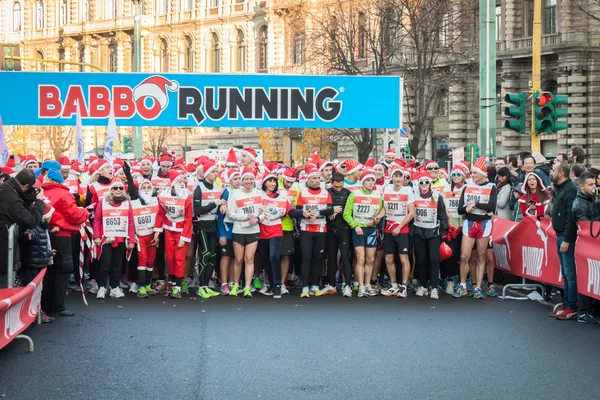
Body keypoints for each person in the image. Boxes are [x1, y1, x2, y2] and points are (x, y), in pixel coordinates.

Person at [455, 157, 498, 299]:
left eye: (474, 173)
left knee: (481, 256)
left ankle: (478, 287)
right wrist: (467, 208)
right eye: (471, 172)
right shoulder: (467, 187)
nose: (472, 175)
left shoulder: (491, 187)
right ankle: (462, 285)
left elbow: (491, 207)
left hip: (484, 223)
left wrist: (476, 204)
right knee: (464, 256)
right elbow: (460, 210)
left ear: (482, 174)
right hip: (469, 222)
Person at [289, 165, 334, 298]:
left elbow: (330, 210)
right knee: (306, 257)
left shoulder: (326, 193)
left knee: (317, 257)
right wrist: (306, 213)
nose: (316, 181)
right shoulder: (303, 192)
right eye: (313, 178)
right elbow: (296, 211)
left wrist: (318, 212)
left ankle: (315, 285)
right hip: (306, 229)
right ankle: (305, 286)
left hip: (320, 229)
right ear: (308, 180)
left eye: (318, 178)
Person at [0, 169, 47, 287]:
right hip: (3, 248)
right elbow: (30, 221)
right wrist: (39, 202)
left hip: (6, 247)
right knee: (4, 288)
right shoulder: (10, 197)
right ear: (26, 185)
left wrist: (29, 197)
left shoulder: (7, 188)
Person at [343, 169, 384, 298]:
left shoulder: (378, 195)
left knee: (370, 259)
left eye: (372, 180)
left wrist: (378, 218)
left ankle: (367, 285)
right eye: (367, 180)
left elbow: (383, 209)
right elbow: (346, 214)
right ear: (362, 182)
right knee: (360, 258)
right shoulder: (354, 194)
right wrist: (355, 226)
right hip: (359, 230)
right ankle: (360, 286)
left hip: (371, 230)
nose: (370, 182)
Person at [154, 170, 193, 299]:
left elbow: (188, 219)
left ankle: (178, 287)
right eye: (179, 181)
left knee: (179, 258)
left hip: (181, 230)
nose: (182, 184)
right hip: (169, 229)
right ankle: (171, 281)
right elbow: (160, 214)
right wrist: (157, 231)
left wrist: (183, 237)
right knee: (169, 257)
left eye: (183, 181)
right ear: (173, 183)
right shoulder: (164, 196)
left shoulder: (186, 197)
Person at [93, 178, 135, 299]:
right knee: (105, 263)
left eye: (121, 188)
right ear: (111, 190)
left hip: (121, 238)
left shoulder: (127, 203)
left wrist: (131, 240)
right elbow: (97, 219)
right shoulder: (103, 202)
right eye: (115, 188)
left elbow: (131, 222)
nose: (118, 190)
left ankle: (114, 287)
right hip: (106, 238)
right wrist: (96, 236)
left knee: (117, 264)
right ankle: (101, 287)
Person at [226, 168, 264, 298]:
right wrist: (245, 217)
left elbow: (263, 212)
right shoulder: (235, 193)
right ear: (242, 181)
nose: (249, 181)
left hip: (253, 230)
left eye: (251, 179)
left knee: (249, 259)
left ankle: (247, 287)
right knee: (238, 259)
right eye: (246, 179)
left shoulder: (258, 193)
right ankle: (236, 285)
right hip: (239, 229)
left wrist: (258, 218)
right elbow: (230, 213)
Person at [548, 161, 578, 320]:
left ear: (561, 173)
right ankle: (566, 304)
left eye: (553, 170)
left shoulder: (570, 190)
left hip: (566, 238)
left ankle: (571, 306)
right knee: (565, 274)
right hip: (559, 234)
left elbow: (571, 218)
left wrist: (566, 238)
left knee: (569, 273)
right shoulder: (560, 189)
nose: (551, 173)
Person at [411, 172, 449, 299]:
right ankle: (423, 286)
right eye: (421, 182)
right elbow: (410, 213)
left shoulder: (437, 196)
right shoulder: (414, 196)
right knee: (421, 260)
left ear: (430, 183)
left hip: (433, 232)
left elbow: (443, 215)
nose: (424, 185)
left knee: (433, 260)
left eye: (426, 182)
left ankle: (434, 288)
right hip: (419, 232)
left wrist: (444, 233)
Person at [193, 160, 227, 299]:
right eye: (213, 172)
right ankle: (201, 287)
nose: (215, 174)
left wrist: (223, 206)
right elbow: (198, 210)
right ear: (207, 173)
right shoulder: (199, 187)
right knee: (205, 253)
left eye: (216, 172)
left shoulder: (217, 188)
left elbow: (219, 205)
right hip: (201, 224)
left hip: (213, 224)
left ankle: (206, 286)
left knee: (212, 256)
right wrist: (215, 204)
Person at [380, 167, 415, 298]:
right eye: (396, 176)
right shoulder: (387, 189)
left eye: (401, 176)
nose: (398, 179)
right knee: (388, 258)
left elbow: (411, 213)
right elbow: (385, 208)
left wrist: (400, 226)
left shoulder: (408, 191)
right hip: (389, 227)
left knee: (403, 258)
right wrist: (378, 216)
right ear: (392, 177)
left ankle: (404, 286)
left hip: (402, 228)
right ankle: (394, 285)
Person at [19, 200, 56, 322]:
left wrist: (49, 252)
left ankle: (35, 314)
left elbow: (40, 247)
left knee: (35, 292)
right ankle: (32, 315)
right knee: (32, 292)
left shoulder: (43, 228)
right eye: (51, 214)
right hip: (33, 264)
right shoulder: (36, 228)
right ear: (45, 216)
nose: (52, 216)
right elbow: (32, 238)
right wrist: (28, 236)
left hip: (36, 262)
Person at [570, 171, 600, 323]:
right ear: (581, 186)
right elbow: (587, 227)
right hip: (585, 244)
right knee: (586, 276)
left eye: (595, 184)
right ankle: (583, 312)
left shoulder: (590, 199)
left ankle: (590, 310)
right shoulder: (580, 204)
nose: (594, 187)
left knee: (592, 275)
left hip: (591, 244)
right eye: (591, 185)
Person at [259, 173, 292, 299]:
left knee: (274, 256)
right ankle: (272, 284)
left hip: (276, 230)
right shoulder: (258, 195)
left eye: (274, 181)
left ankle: (278, 285)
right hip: (262, 230)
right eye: (269, 181)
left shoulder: (281, 196)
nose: (272, 183)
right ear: (264, 183)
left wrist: (305, 213)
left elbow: (291, 210)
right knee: (266, 259)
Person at [441, 163, 468, 294]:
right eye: (454, 174)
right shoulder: (445, 189)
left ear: (463, 176)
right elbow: (442, 205)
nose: (456, 177)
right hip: (450, 226)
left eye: (458, 174)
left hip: (464, 226)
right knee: (450, 255)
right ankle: (450, 280)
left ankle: (464, 281)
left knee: (463, 256)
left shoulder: (468, 188)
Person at [130, 179, 159, 298]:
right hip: (140, 236)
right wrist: (133, 235)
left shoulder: (156, 201)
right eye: (144, 187)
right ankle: (141, 286)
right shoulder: (134, 203)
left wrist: (158, 234)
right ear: (139, 190)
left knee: (151, 260)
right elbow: (130, 221)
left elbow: (160, 218)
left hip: (153, 236)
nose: (146, 190)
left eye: (148, 187)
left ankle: (147, 284)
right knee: (142, 259)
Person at [217, 169, 241, 295]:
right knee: (225, 256)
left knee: (234, 256)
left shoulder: (241, 192)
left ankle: (232, 282)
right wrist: (221, 233)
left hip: (237, 228)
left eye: (239, 178)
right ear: (230, 180)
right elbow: (220, 214)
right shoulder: (226, 192)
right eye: (235, 179)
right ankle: (224, 283)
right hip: (226, 228)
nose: (238, 181)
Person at [279, 167, 299, 294]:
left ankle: (282, 283)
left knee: (286, 256)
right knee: (274, 256)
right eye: (287, 181)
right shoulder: (275, 185)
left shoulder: (296, 188)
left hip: (288, 226)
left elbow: (297, 206)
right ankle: (270, 282)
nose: (289, 184)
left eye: (291, 182)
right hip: (274, 225)